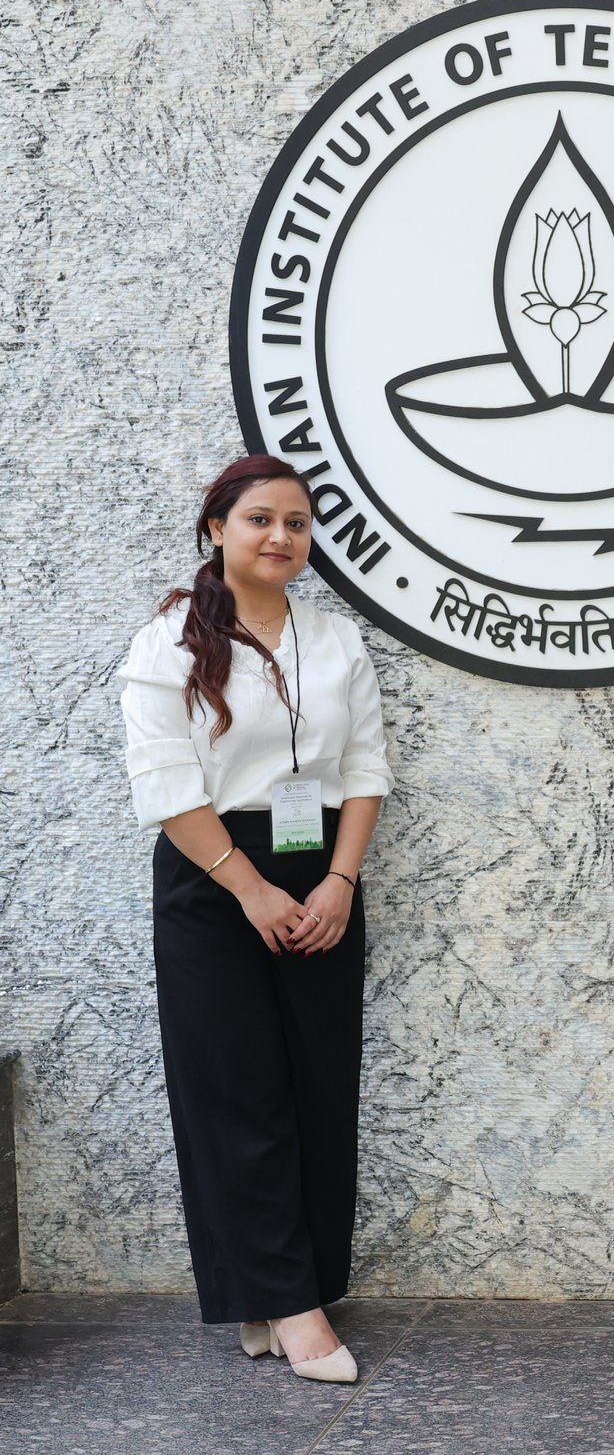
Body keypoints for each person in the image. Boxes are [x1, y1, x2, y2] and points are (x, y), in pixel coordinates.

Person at [119, 454, 394, 1383]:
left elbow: (364, 771)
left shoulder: (337, 641)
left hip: (319, 878)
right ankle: (293, 1305)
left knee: (319, 1087)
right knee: (236, 1095)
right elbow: (165, 787)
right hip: (213, 879)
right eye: (259, 519)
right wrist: (251, 888)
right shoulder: (169, 642)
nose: (281, 536)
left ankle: (279, 1287)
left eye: (299, 523)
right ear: (216, 530)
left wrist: (338, 884)